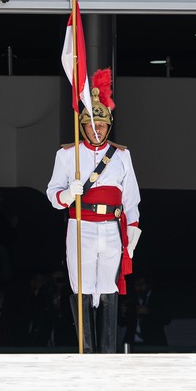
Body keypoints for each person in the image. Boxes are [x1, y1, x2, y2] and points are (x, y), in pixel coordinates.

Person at [46, 68, 141, 354]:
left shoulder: (121, 155)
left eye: (102, 125)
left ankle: (108, 350)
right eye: (92, 125)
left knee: (109, 286)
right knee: (83, 286)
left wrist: (133, 229)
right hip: (81, 225)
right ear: (83, 125)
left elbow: (131, 196)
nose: (97, 130)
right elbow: (52, 194)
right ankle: (86, 350)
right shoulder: (67, 155)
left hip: (111, 228)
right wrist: (67, 194)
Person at [120, 272, 171, 350]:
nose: (139, 287)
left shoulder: (158, 298)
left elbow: (166, 319)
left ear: (148, 284)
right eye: (136, 284)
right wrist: (123, 313)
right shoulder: (131, 299)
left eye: (142, 284)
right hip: (132, 344)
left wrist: (148, 311)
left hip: (154, 343)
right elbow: (122, 323)